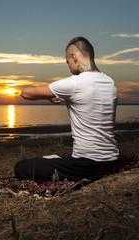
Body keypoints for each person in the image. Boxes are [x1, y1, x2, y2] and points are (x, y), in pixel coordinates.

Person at [14, 36, 119, 182]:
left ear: (74, 56)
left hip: (87, 165)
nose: (69, 67)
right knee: (54, 161)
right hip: (112, 161)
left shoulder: (74, 83)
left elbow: (25, 93)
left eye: (67, 62)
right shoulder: (110, 82)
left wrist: (47, 97)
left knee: (21, 167)